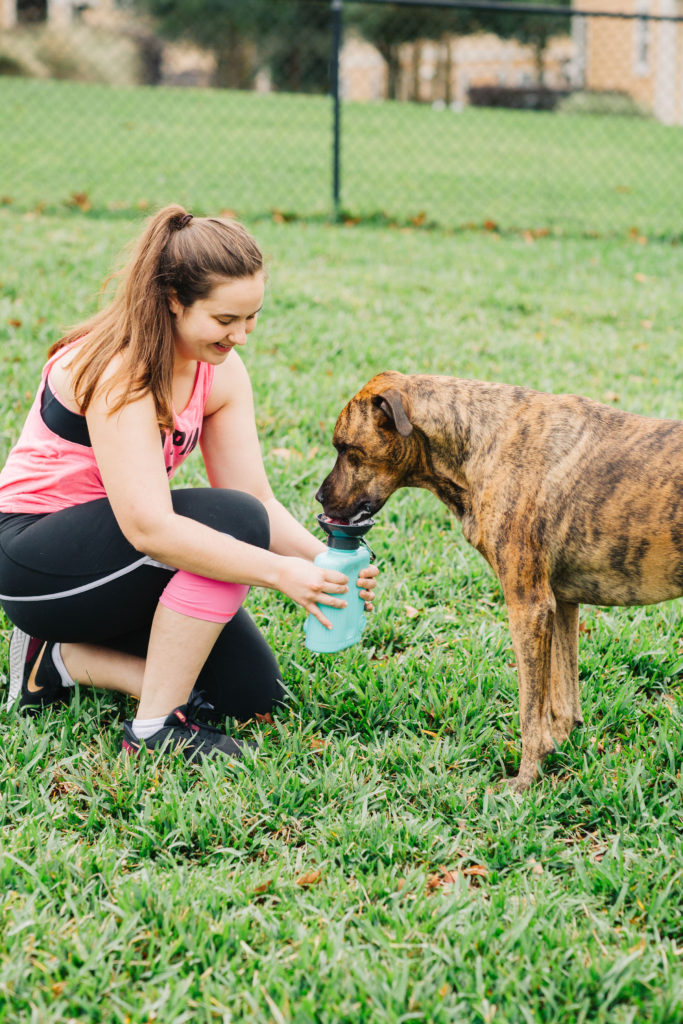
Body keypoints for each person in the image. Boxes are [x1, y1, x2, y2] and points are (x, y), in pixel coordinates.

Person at [0, 205, 379, 760]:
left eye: (251, 318)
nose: (241, 336)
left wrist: (324, 567)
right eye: (225, 320)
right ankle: (154, 730)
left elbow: (258, 498)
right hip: (38, 563)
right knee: (234, 523)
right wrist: (280, 574)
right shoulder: (121, 369)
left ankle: (54, 661)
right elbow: (150, 527)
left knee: (249, 695)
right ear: (174, 299)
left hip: (120, 566)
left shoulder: (219, 371)